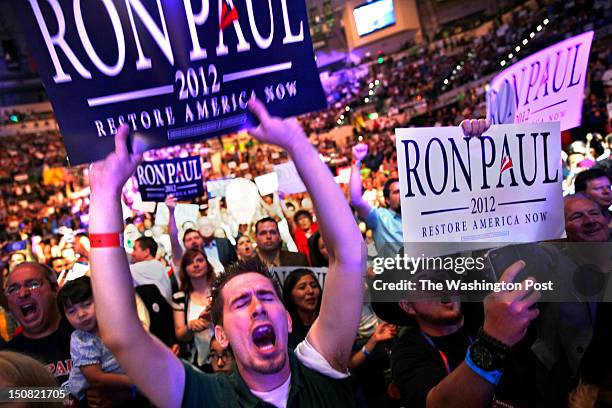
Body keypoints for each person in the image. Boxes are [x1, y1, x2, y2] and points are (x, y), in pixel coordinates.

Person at [87, 98, 365, 407]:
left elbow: (350, 255)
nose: (257, 307)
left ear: (287, 320)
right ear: (220, 335)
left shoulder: (320, 367)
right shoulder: (204, 396)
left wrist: (297, 144)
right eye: (241, 302)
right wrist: (103, 195)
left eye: (268, 297)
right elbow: (121, 334)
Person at [383, 262, 541, 408]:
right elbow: (440, 404)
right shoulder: (408, 352)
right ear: (408, 306)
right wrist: (493, 342)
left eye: (443, 276)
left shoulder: (489, 311)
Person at [57, 276, 140, 404]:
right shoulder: (81, 340)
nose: (81, 314)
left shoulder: (116, 323)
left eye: (87, 304)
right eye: (71, 311)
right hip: (90, 393)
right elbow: (95, 378)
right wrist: (135, 381)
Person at [1, 262, 73, 384]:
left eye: (33, 284)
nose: (23, 293)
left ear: (55, 289)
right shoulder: (7, 358)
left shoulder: (87, 334)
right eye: (13, 289)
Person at [350, 143, 402, 257]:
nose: (402, 195)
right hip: (396, 273)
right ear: (387, 200)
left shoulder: (417, 217)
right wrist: (356, 162)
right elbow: (356, 200)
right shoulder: (380, 218)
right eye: (396, 192)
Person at [173, 248, 215, 368]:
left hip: (224, 355)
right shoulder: (179, 298)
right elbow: (180, 334)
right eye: (190, 262)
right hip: (197, 360)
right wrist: (191, 327)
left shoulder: (220, 291)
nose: (196, 265)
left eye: (200, 260)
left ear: (207, 264)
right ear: (185, 269)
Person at [282, 269, 322, 349]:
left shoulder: (327, 323)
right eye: (302, 287)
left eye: (314, 286)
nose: (310, 291)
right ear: (290, 294)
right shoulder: (285, 328)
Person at [129, 236, 172, 304]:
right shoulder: (157, 265)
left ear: (146, 252)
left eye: (135, 249)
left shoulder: (152, 266)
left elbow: (123, 271)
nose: (132, 253)